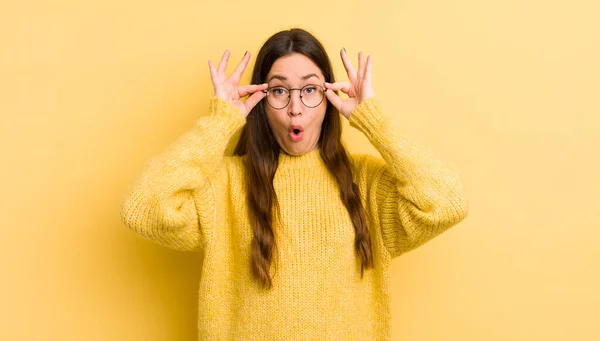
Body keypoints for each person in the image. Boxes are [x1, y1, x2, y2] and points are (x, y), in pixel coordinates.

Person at [120, 28, 469, 340]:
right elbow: (144, 209)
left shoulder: (366, 184)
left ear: (330, 96)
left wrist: (372, 120)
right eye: (278, 91)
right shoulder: (225, 186)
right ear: (259, 100)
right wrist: (220, 122)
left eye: (310, 89)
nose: (295, 108)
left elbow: (447, 202)